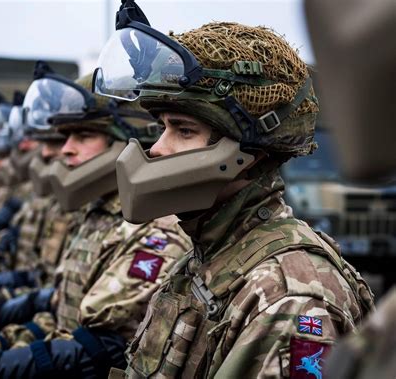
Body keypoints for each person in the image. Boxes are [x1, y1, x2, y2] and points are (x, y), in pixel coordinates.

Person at [92, 2, 375, 377]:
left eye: (183, 129)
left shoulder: (290, 298)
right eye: (162, 126)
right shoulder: (213, 254)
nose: (157, 147)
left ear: (248, 153)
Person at [0, 73, 190, 378]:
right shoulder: (94, 215)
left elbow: (94, 347)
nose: (63, 150)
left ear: (132, 140)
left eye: (83, 136)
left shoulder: (156, 231)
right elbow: (60, 317)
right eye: (64, 137)